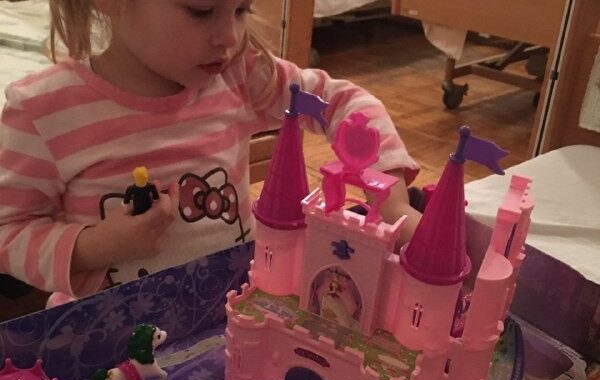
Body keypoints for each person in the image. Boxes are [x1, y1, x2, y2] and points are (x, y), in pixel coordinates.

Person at [0, 0, 421, 306]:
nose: (230, 38)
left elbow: (343, 103)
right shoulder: (42, 111)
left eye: (241, 9)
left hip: (231, 314)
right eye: (201, 11)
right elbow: (8, 230)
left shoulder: (242, 76)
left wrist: (392, 198)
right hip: (110, 341)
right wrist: (95, 246)